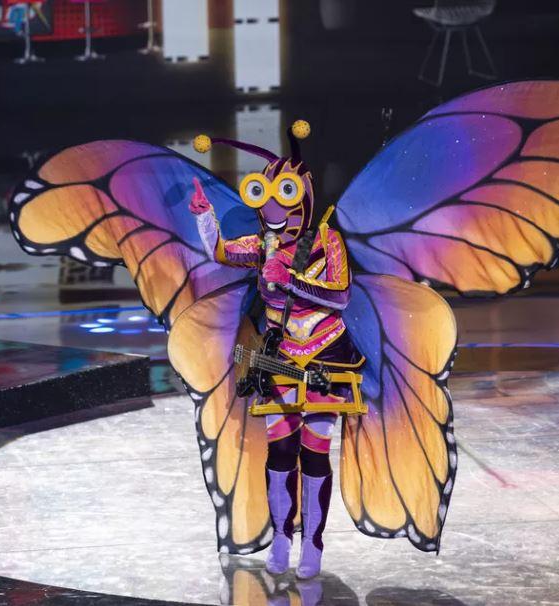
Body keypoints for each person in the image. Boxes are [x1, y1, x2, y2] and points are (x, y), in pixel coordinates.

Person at [189, 121, 363, 579]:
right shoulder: (263, 247)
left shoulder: (326, 241)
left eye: (283, 196)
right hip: (279, 359)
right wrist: (204, 216)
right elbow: (222, 251)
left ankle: (314, 545)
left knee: (315, 453)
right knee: (281, 451)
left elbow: (340, 295)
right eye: (264, 197)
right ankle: (282, 539)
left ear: (301, 197)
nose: (273, 209)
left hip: (326, 357)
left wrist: (294, 280)